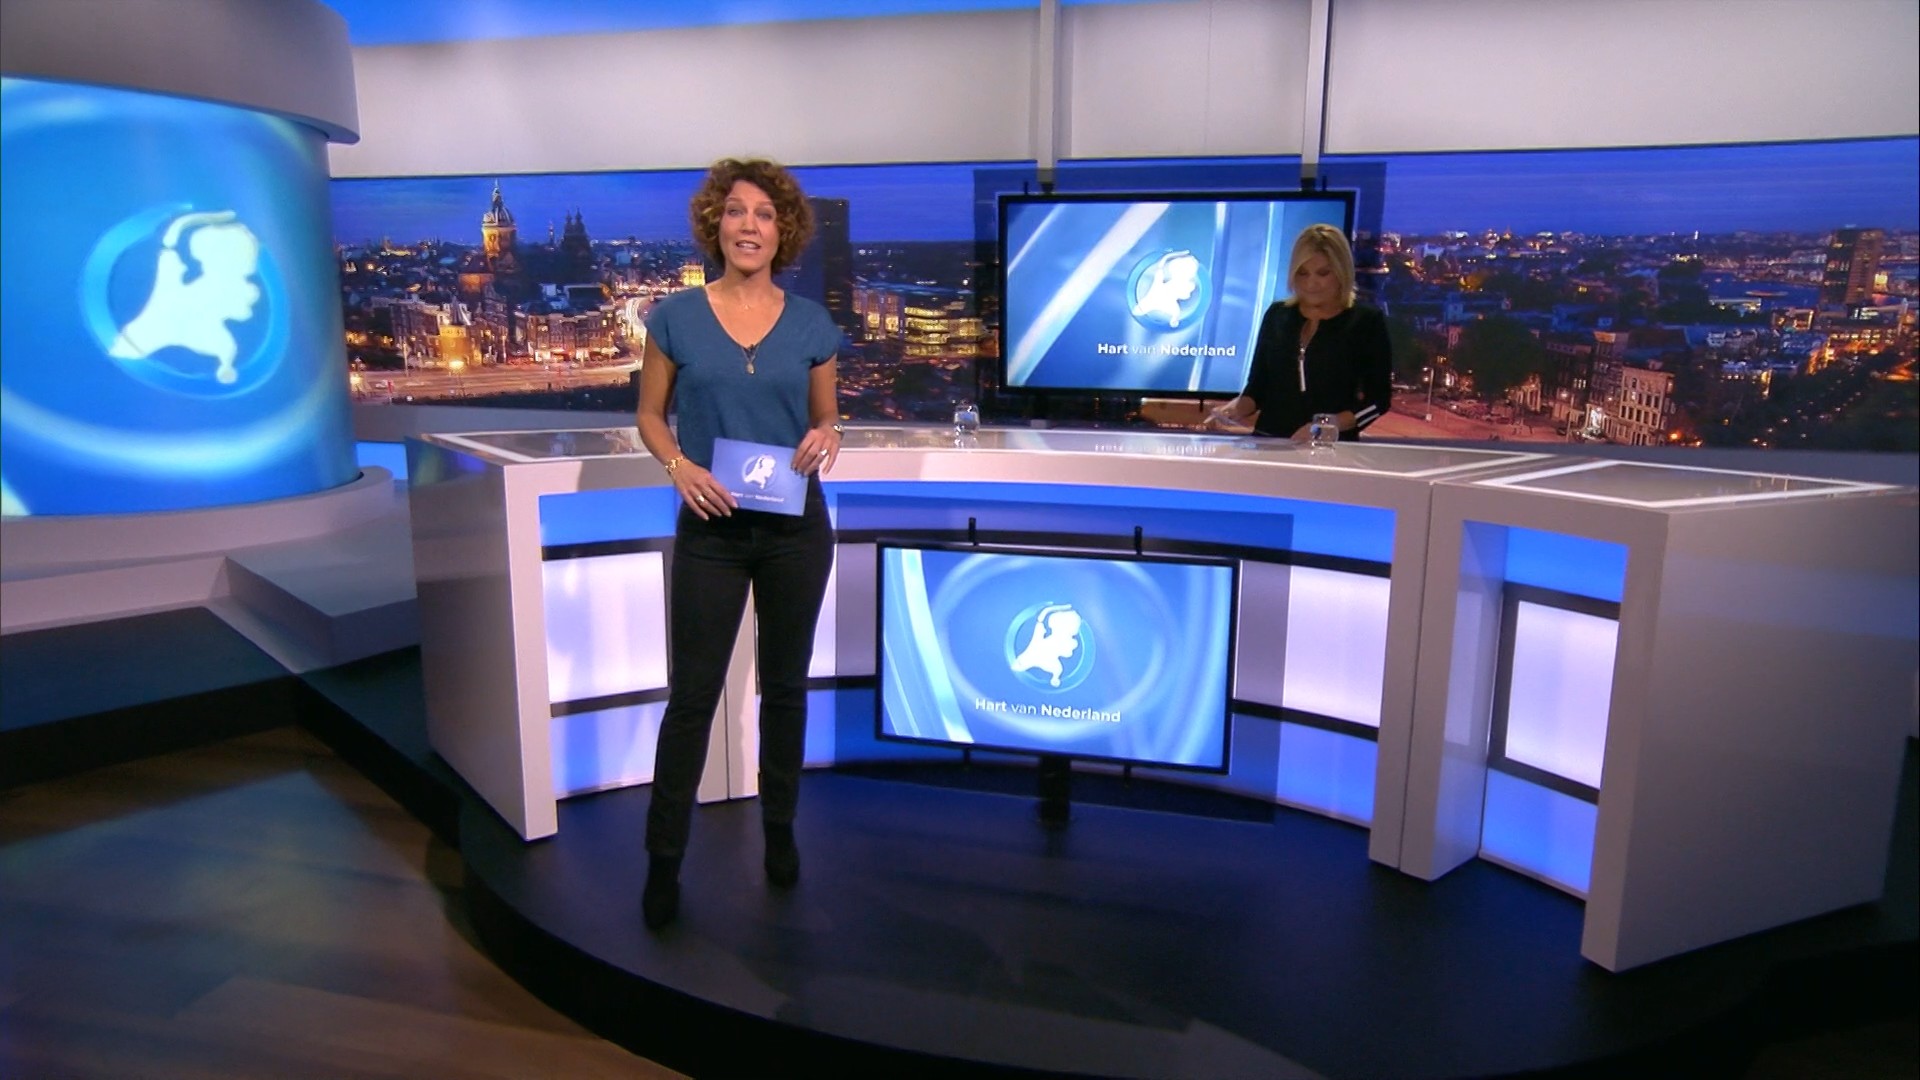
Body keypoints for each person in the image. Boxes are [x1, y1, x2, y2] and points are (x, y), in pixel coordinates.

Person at [633, 158, 845, 930]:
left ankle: (780, 831)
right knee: (692, 697)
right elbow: (650, 415)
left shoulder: (812, 323)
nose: (748, 225)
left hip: (795, 531)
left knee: (785, 690)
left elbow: (826, 417)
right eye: (735, 211)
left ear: (783, 231)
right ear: (714, 225)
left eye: (763, 213)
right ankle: (664, 859)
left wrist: (830, 435)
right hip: (712, 532)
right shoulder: (675, 317)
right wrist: (678, 466)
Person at [1202, 223, 1391, 441]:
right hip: (1268, 443)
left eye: (1323, 273)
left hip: (1331, 450)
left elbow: (1378, 402)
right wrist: (1234, 409)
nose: (1311, 283)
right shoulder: (1277, 315)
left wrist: (1326, 426)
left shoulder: (1366, 322)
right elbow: (1257, 388)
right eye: (1302, 273)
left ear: (1342, 272)